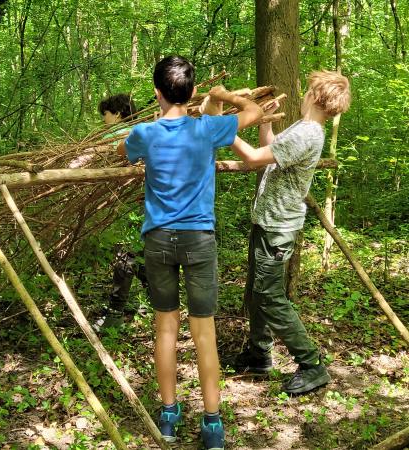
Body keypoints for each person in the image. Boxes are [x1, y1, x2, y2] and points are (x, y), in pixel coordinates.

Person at [117, 56, 263, 449]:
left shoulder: (145, 133)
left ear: (157, 92)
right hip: (198, 239)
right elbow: (255, 111)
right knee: (204, 333)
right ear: (193, 91)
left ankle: (168, 414)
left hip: (159, 240)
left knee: (165, 329)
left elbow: (123, 150)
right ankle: (212, 423)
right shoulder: (208, 129)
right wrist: (224, 95)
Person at [211, 71, 351, 395]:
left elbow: (252, 160)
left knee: (269, 296)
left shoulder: (308, 134)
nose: (302, 93)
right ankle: (259, 354)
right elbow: (270, 153)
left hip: (277, 229)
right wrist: (265, 123)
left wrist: (222, 130)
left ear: (316, 96)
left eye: (308, 89)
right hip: (268, 221)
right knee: (256, 291)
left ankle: (312, 364)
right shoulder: (303, 129)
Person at [92, 94, 149, 331]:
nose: (104, 119)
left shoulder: (115, 136)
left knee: (125, 256)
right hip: (143, 203)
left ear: (116, 113)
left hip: (127, 205)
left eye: (105, 114)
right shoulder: (140, 132)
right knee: (138, 255)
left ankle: (115, 313)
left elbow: (93, 157)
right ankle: (158, 303)